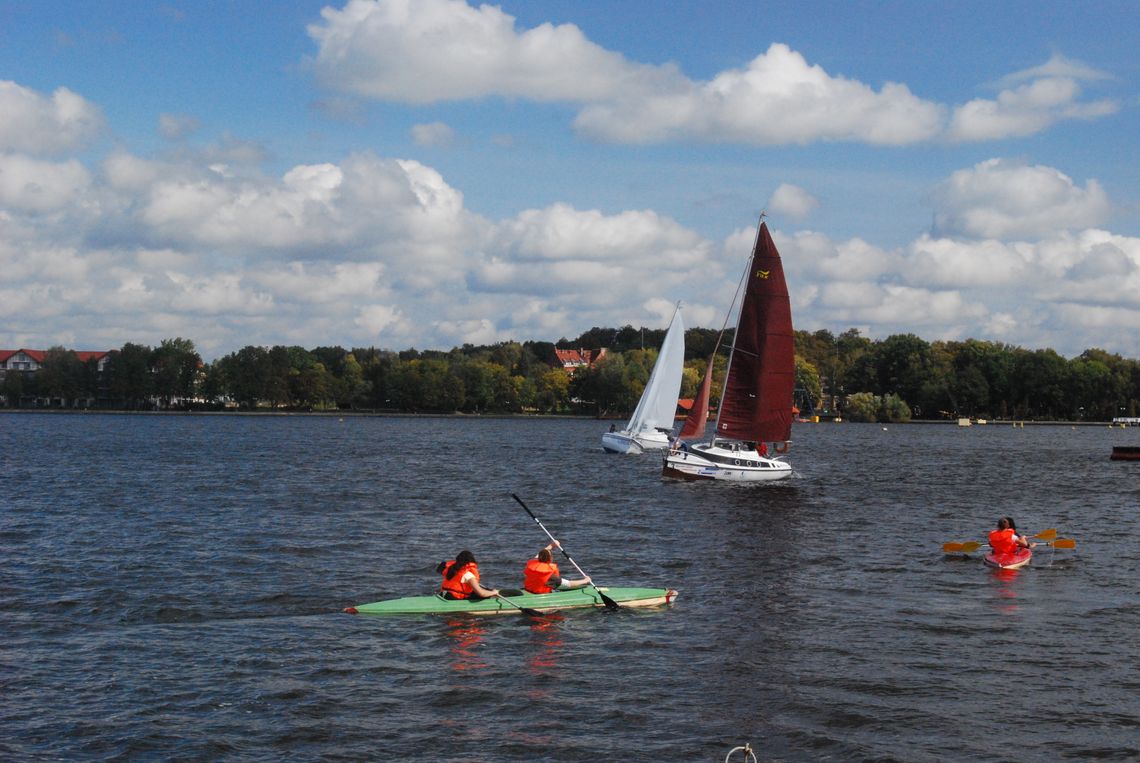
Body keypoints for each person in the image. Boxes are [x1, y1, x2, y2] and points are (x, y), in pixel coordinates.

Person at [522, 540, 591, 594]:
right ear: (551, 558)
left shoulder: (532, 564)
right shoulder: (550, 576)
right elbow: (569, 584)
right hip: (540, 593)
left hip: (529, 589)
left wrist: (552, 545)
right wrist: (585, 580)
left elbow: (540, 554)